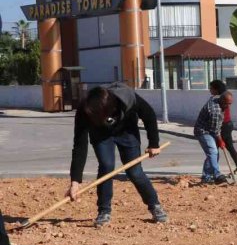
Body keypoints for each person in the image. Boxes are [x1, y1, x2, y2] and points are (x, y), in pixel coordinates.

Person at [67, 84, 168, 227]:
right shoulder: (85, 110)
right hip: (101, 135)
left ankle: (155, 206)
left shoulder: (127, 97)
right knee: (106, 166)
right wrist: (75, 181)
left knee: (135, 171)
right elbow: (79, 145)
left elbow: (149, 115)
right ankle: (104, 211)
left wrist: (154, 143)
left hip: (127, 132)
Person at [194, 93, 230, 185]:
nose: (228, 106)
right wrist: (221, 141)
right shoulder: (216, 111)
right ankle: (217, 175)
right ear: (222, 101)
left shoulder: (217, 100)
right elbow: (216, 130)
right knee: (213, 152)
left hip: (209, 129)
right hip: (203, 131)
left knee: (213, 154)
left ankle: (206, 177)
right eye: (227, 103)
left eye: (230, 104)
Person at [209, 80, 237, 176]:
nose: (210, 90)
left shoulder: (220, 98)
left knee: (215, 149)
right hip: (227, 124)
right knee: (228, 147)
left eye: (211, 88)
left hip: (223, 126)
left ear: (216, 89)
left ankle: (213, 171)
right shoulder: (222, 96)